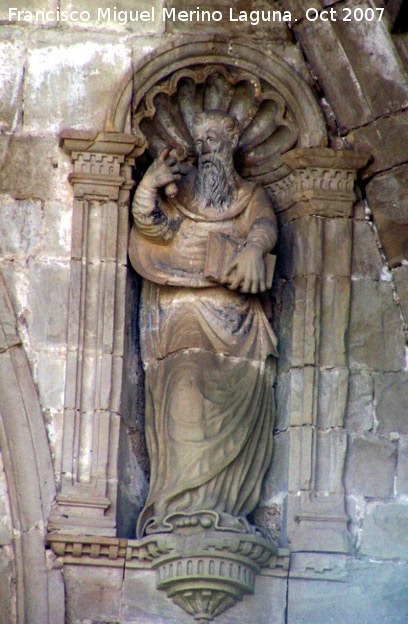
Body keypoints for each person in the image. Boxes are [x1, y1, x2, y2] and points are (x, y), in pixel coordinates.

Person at [129, 110, 278, 537]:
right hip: (181, 316)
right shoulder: (181, 193)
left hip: (237, 325)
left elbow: (266, 225)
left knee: (238, 402)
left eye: (217, 139)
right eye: (203, 140)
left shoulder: (249, 196)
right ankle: (180, 504)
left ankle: (221, 506)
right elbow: (151, 228)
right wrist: (147, 188)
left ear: (233, 144)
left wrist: (252, 247)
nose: (209, 149)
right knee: (185, 387)